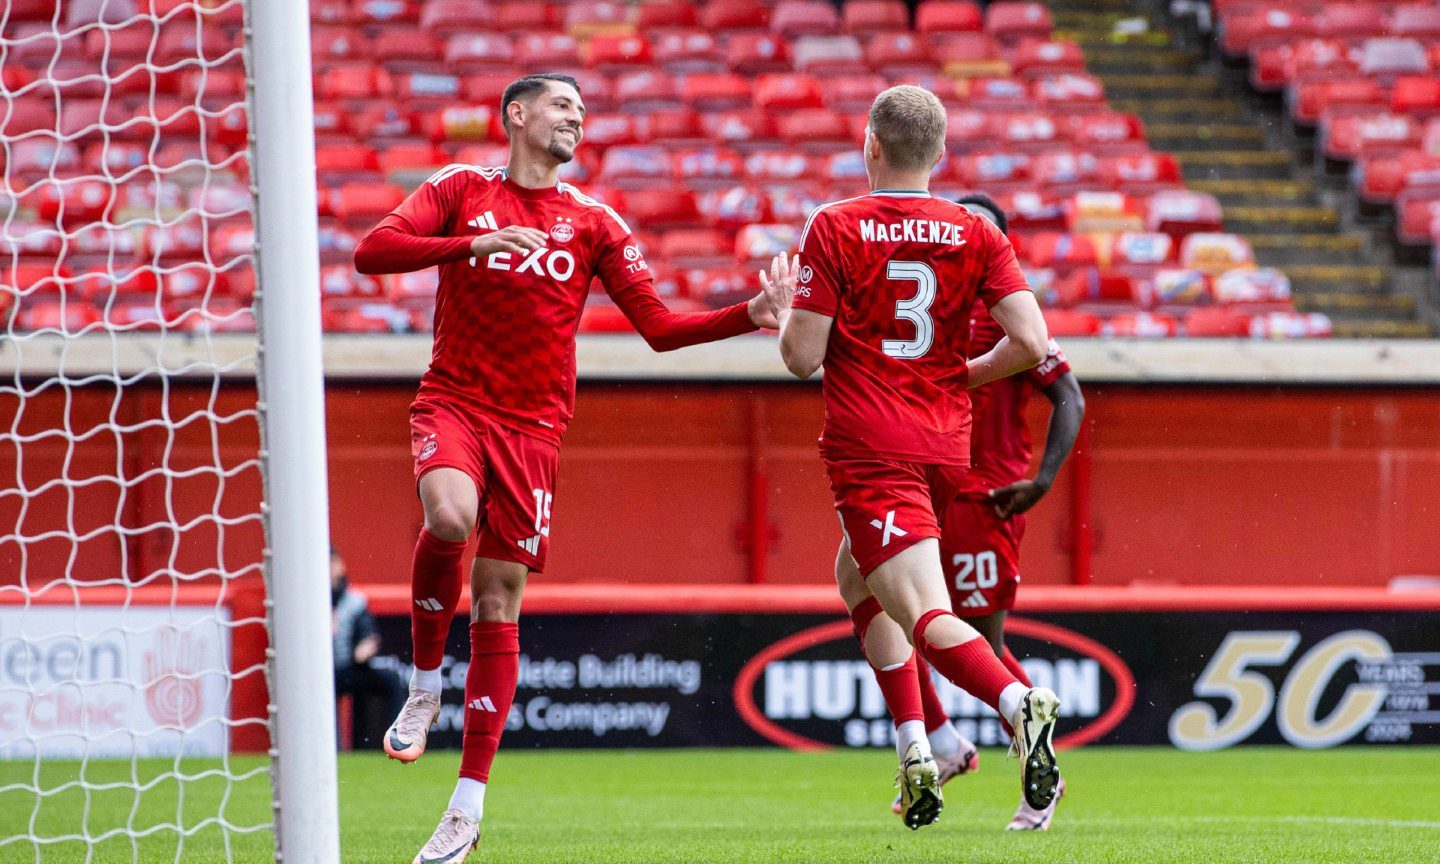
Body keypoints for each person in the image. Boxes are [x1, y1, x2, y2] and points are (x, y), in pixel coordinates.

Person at [353, 73, 777, 863]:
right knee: (448, 517)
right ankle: (422, 684)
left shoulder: (594, 222)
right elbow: (372, 252)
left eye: (582, 109)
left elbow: (657, 328)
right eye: (561, 106)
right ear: (515, 114)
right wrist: (469, 244)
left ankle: (465, 810)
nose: (576, 117)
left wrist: (746, 317)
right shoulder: (459, 189)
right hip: (453, 402)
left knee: (496, 604)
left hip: (536, 431)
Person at [758, 85, 1062, 831]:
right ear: (941, 154)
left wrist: (776, 313)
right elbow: (1030, 342)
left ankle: (1015, 704)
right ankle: (923, 743)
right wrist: (956, 375)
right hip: (945, 446)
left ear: (870, 146)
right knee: (853, 575)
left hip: (873, 446)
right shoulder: (976, 231)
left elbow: (801, 358)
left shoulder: (835, 225)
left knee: (924, 612)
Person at [869, 194, 1086, 830]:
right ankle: (942, 738)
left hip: (981, 498)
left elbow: (1068, 397)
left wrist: (1042, 481)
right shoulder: (927, 308)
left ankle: (1039, 780)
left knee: (971, 639)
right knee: (888, 608)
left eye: (983, 232)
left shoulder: (1012, 322)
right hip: (918, 484)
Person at [330, 548, 404, 749]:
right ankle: (331, 748)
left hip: (350, 668)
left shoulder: (354, 600)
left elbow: (367, 632)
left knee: (391, 680)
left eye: (332, 563)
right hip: (320, 673)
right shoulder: (307, 603)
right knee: (321, 690)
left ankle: (395, 741)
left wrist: (364, 647)